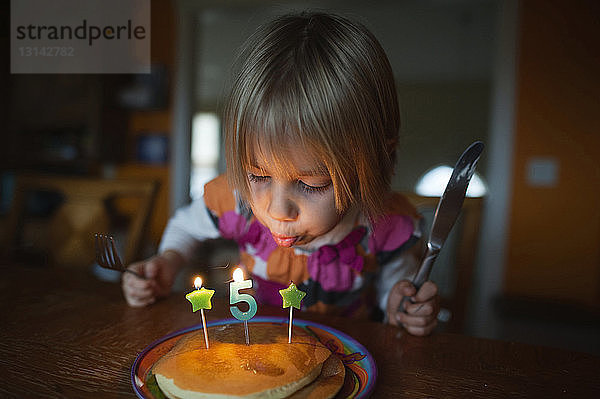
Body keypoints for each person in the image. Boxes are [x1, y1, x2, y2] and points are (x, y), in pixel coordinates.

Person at [122, 11, 440, 336]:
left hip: (350, 355)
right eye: (258, 176)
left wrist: (402, 308)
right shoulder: (238, 201)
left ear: (376, 160)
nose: (277, 210)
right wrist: (168, 261)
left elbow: (394, 296)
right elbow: (186, 226)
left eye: (310, 183)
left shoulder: (385, 224)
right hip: (260, 347)